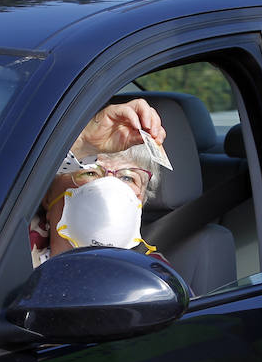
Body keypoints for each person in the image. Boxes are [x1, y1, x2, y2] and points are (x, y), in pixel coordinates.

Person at [31, 99, 167, 266]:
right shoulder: (4, 252)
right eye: (90, 172)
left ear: (140, 201)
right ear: (47, 195)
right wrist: (83, 142)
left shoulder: (157, 279)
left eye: (127, 178)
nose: (108, 188)